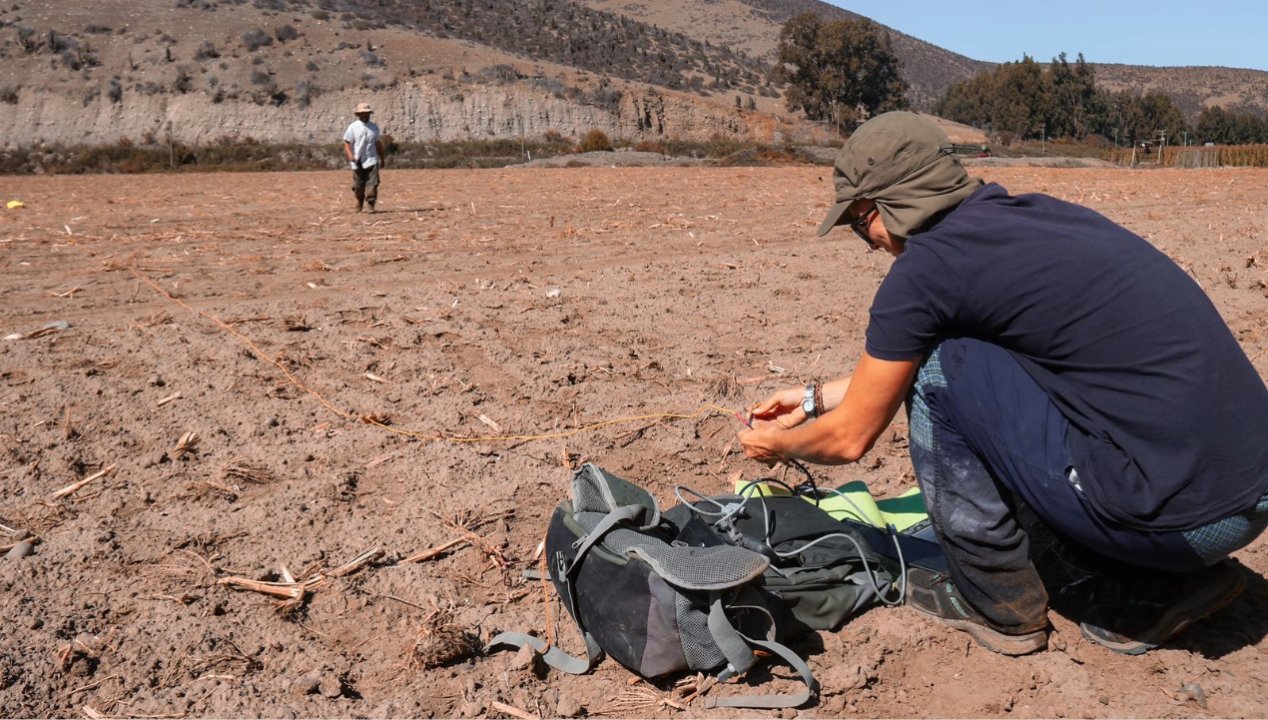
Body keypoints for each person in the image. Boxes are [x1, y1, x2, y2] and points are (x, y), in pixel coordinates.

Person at [738, 111, 1268, 656]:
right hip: (1245, 494)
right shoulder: (1038, 219)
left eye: (858, 222)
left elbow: (849, 439)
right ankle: (1173, 582)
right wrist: (811, 398)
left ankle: (999, 602)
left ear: (889, 204)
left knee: (942, 371)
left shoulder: (926, 271)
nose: (867, 242)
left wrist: (774, 444)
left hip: (1180, 524)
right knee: (963, 360)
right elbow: (938, 363)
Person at [342, 102, 385, 213]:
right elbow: (347, 143)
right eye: (363, 113)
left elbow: (377, 143)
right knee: (358, 185)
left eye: (367, 113)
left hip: (371, 159)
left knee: (373, 183)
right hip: (357, 160)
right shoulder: (353, 127)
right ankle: (359, 202)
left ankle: (371, 204)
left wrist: (382, 158)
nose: (365, 115)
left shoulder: (374, 127)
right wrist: (350, 155)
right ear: (358, 114)